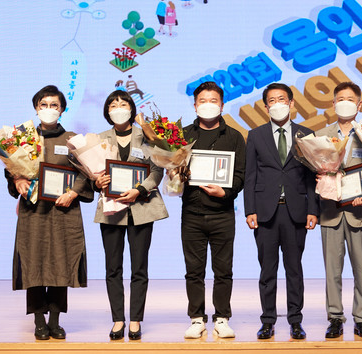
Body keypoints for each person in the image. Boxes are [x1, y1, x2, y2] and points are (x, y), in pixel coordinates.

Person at [6, 85, 93, 340]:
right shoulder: (23, 140)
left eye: (54, 105)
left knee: (60, 264)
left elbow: (86, 173)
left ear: (62, 109)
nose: (48, 109)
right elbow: (12, 170)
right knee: (33, 263)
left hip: (64, 211)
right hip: (34, 211)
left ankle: (55, 321)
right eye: (43, 105)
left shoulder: (73, 139)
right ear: (36, 108)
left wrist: (74, 192)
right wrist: (17, 180)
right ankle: (38, 321)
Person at [244, 82, 319, 340]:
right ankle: (267, 321)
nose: (277, 104)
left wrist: (313, 210)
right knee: (267, 271)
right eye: (272, 101)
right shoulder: (255, 135)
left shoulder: (306, 134)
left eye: (282, 99)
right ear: (266, 107)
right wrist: (250, 210)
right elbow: (250, 176)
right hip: (265, 212)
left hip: (296, 212)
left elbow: (311, 176)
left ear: (292, 103)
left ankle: (296, 321)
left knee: (294, 269)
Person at [94, 90, 167, 340]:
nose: (118, 108)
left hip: (141, 208)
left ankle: (135, 319)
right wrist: (96, 181)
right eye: (113, 105)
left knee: (139, 268)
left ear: (131, 109)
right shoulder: (99, 139)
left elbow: (158, 170)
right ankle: (118, 319)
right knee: (113, 268)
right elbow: (93, 174)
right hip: (111, 209)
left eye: (123, 104)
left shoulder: (146, 135)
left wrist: (140, 190)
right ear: (107, 112)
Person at [181, 82, 246, 339]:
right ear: (195, 105)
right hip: (192, 213)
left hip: (222, 213)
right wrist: (175, 174)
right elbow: (173, 171)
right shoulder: (182, 136)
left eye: (213, 100)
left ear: (222, 105)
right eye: (203, 100)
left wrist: (225, 192)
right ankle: (196, 319)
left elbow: (240, 175)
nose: (208, 105)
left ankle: (222, 318)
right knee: (193, 270)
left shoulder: (234, 137)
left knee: (223, 270)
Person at [316, 82, 362, 339]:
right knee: (332, 270)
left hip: (360, 212)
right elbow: (313, 170)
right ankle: (335, 317)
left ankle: (361, 318)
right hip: (330, 211)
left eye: (350, 99)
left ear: (359, 105)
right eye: (340, 98)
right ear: (333, 104)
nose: (345, 103)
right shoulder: (320, 135)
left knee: (361, 269)